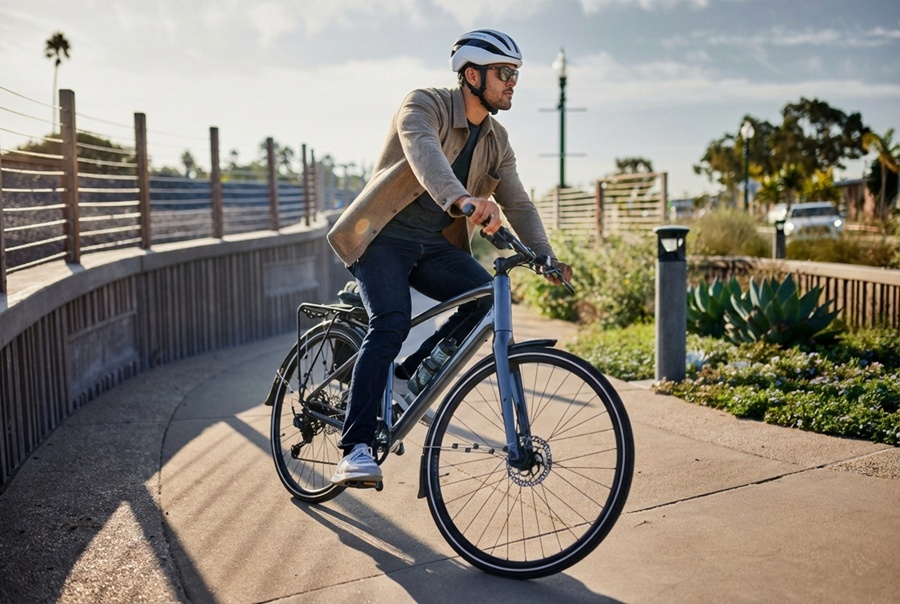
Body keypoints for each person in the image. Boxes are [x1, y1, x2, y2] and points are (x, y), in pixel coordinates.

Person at [326, 28, 573, 486]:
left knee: (484, 299)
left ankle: (409, 376)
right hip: (382, 237)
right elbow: (425, 157)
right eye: (504, 73)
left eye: (515, 75)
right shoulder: (423, 104)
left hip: (433, 245)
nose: (512, 83)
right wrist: (463, 201)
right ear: (472, 74)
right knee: (392, 320)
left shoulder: (497, 139)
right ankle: (355, 446)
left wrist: (546, 257)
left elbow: (518, 202)